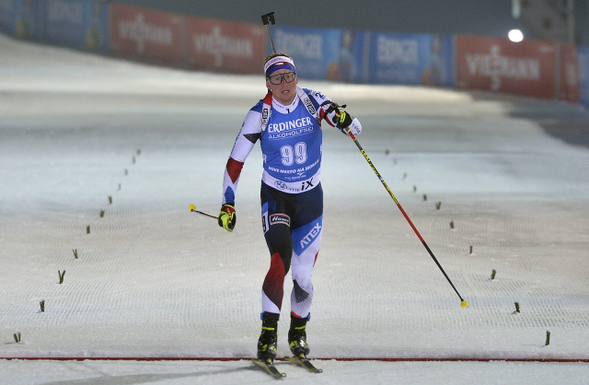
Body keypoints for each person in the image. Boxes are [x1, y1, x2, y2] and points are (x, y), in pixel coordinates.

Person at [218, 52, 362, 364]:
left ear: (296, 77)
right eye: (276, 78)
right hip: (276, 196)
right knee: (279, 262)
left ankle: (298, 333)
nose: (284, 83)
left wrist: (344, 120)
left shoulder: (313, 101)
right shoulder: (260, 114)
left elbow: (355, 127)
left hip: (310, 200)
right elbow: (235, 162)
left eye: (289, 76)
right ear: (267, 83)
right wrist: (228, 204)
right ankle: (267, 336)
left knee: (304, 277)